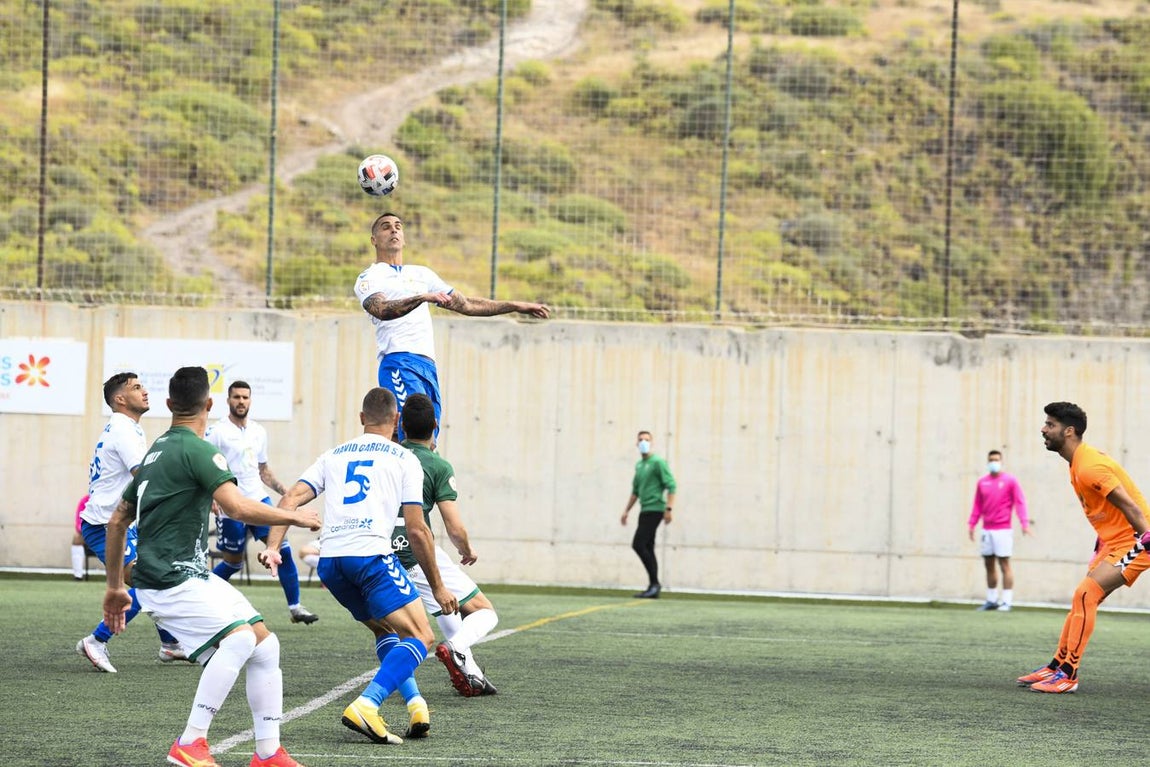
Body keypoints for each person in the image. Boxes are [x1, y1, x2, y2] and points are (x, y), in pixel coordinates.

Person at [101, 366, 322, 767]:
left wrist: (114, 585)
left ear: (169, 405)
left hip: (184, 573)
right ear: (210, 404)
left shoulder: (156, 449)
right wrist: (294, 517)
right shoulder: (199, 450)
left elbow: (117, 520)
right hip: (168, 578)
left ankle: (268, 753)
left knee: (264, 643)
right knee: (238, 639)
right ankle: (190, 743)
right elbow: (237, 506)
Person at [262, 387, 457, 745]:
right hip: (370, 556)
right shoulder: (404, 458)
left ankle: (416, 706)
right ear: (396, 421)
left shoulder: (333, 455)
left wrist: (274, 545)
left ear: (361, 418)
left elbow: (289, 498)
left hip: (332, 563)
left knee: (386, 632)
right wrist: (440, 586)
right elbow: (417, 528)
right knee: (421, 635)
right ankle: (368, 704)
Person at [353, 211, 550, 441]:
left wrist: (515, 305)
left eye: (398, 225)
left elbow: (465, 304)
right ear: (373, 240)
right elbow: (381, 309)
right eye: (385, 227)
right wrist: (422, 297)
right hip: (399, 361)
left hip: (428, 367)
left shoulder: (421, 273)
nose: (394, 229)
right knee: (409, 435)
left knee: (429, 439)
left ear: (404, 237)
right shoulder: (370, 276)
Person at [1017, 401, 1150, 694]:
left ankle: (1068, 675)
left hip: (1137, 540)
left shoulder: (1090, 466)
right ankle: (1056, 666)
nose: (1043, 429)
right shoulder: (1076, 463)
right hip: (1114, 541)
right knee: (1082, 600)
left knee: (1086, 594)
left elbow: (1130, 506)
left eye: (1050, 424)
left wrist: (1146, 540)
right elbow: (1107, 509)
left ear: (1069, 431)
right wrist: (1102, 540)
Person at [76, 372, 188, 672]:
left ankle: (171, 644)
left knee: (154, 580)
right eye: (137, 387)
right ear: (120, 399)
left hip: (121, 522)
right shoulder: (123, 431)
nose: (145, 391)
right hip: (105, 524)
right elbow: (146, 479)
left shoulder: (128, 429)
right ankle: (96, 640)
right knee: (147, 583)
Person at [394, 393, 499, 697]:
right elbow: (454, 527)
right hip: (414, 549)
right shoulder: (437, 465)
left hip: (378, 552)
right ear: (435, 425)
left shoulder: (390, 456)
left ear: (401, 425)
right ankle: (456, 647)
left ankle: (473, 675)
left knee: (446, 608)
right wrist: (466, 549)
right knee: (483, 611)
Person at [204, 381, 317, 624]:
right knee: (232, 563)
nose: (241, 401)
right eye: (236, 397)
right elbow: (205, 468)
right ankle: (202, 601)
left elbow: (263, 470)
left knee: (281, 550)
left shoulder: (258, 431)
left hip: (259, 499)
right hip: (231, 505)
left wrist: (287, 492)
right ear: (228, 400)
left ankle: (296, 608)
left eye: (245, 397)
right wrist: (212, 496)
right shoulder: (217, 432)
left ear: (250, 400)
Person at [968, 449, 1030, 611]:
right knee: (989, 564)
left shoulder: (1010, 481)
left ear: (1001, 461)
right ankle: (992, 600)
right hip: (986, 530)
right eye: (991, 460)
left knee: (1004, 564)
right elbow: (977, 506)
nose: (993, 462)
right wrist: (972, 524)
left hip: (1003, 530)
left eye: (996, 459)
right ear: (988, 462)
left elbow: (1020, 502)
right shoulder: (982, 482)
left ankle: (1007, 601)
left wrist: (1024, 523)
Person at [620, 430, 677, 599]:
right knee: (648, 547)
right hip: (644, 509)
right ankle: (653, 586)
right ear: (636, 443)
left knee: (638, 544)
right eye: (641, 440)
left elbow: (672, 485)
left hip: (655, 509)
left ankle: (655, 584)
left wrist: (668, 509)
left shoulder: (657, 462)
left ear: (651, 442)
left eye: (647, 439)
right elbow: (635, 491)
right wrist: (626, 511)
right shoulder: (639, 465)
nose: (643, 442)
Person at [71, 495, 89, 580]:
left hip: (106, 532)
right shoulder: (85, 501)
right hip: (89, 532)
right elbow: (79, 522)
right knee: (76, 538)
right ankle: (78, 576)